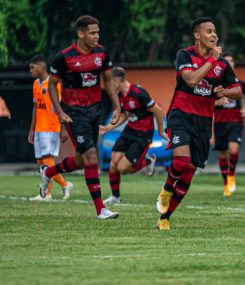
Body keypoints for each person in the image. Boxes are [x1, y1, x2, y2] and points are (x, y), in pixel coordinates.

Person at [156, 17, 242, 230]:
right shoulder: (185, 55)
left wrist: (225, 91)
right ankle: (166, 190)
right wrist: (211, 60)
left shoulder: (222, 64)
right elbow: (192, 80)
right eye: (209, 31)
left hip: (204, 121)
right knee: (182, 161)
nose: (214, 35)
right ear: (197, 35)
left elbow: (239, 91)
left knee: (189, 171)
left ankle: (165, 218)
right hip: (181, 114)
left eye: (215, 32)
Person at [38, 15, 121, 219]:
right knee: (91, 157)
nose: (96, 36)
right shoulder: (63, 57)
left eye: (98, 32)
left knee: (81, 159)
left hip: (94, 110)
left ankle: (48, 172)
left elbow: (108, 80)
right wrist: (60, 113)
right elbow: (51, 84)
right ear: (81, 33)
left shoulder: (101, 53)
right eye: (92, 33)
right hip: (74, 113)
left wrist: (117, 106)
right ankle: (101, 209)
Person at [100, 67, 168, 204]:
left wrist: (161, 131)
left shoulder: (139, 93)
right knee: (113, 164)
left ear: (117, 81)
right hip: (129, 131)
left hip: (143, 134)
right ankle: (115, 197)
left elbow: (158, 111)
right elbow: (125, 115)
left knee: (122, 168)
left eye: (110, 82)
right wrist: (108, 128)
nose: (109, 86)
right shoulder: (120, 96)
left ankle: (148, 161)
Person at [28, 55, 73, 201]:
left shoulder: (54, 84)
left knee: (47, 160)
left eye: (32, 67)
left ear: (41, 67)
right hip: (39, 128)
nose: (31, 70)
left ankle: (46, 193)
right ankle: (65, 184)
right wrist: (32, 128)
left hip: (51, 127)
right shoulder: (35, 84)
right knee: (41, 162)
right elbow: (35, 107)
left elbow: (62, 106)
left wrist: (64, 128)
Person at [213, 52, 245, 196]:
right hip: (220, 122)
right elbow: (206, 102)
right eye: (226, 61)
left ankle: (231, 176)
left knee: (233, 150)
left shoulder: (241, 83)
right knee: (222, 154)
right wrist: (218, 102)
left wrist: (244, 109)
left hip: (235, 121)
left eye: (231, 61)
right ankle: (225, 183)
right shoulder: (215, 84)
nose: (229, 63)